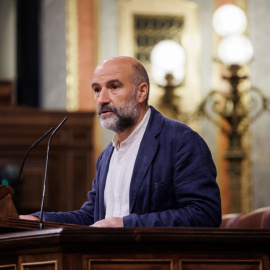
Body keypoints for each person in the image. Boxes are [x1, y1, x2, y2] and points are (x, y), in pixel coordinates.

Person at [20, 56, 221, 227]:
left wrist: (126, 224)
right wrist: (36, 219)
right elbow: (92, 217)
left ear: (141, 92)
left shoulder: (180, 141)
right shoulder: (107, 156)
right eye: (97, 90)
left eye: (114, 87)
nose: (102, 99)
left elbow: (205, 214)